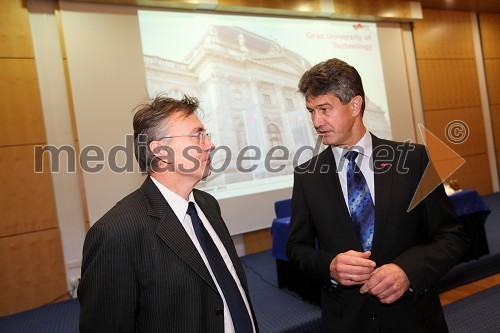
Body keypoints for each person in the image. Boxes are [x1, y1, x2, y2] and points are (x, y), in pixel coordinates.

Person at [286, 58, 469, 332]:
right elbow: (296, 248)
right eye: (311, 111)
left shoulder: (413, 160)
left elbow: (451, 236)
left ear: (355, 105)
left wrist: (408, 270)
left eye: (325, 109)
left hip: (413, 318)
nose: (316, 121)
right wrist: (330, 266)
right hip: (347, 321)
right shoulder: (308, 174)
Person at [78, 95, 258, 333]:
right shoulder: (115, 234)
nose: (210, 145)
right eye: (198, 135)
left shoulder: (207, 204)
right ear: (161, 150)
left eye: (207, 135)